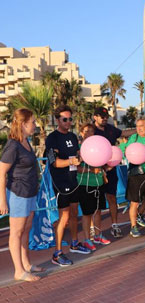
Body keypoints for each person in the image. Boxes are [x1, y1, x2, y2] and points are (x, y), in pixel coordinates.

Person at [0, 108, 45, 281]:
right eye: (32, 122)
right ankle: (18, 271)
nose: (35, 125)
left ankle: (26, 264)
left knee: (26, 229)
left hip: (30, 192)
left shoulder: (26, 141)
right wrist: (2, 201)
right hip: (18, 193)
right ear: (23, 124)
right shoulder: (12, 145)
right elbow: (1, 173)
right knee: (16, 232)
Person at [45, 105, 90, 266]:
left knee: (73, 214)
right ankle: (57, 253)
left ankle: (75, 243)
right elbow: (53, 162)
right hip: (60, 182)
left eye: (70, 119)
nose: (68, 122)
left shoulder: (72, 136)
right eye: (65, 119)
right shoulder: (52, 138)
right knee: (63, 217)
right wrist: (71, 161)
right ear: (58, 120)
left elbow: (77, 156)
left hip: (73, 180)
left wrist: (81, 161)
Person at [93, 107, 136, 238]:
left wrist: (139, 129)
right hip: (96, 171)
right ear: (95, 117)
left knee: (112, 197)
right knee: (96, 202)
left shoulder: (111, 129)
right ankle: (95, 230)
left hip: (111, 169)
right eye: (101, 116)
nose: (104, 118)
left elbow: (123, 133)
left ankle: (115, 225)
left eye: (106, 116)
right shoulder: (91, 130)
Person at [77, 123, 110, 252]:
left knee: (98, 211)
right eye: (85, 131)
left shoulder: (99, 146)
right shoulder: (78, 149)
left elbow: (103, 163)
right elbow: (76, 168)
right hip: (84, 184)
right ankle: (87, 239)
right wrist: (91, 171)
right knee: (87, 214)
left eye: (91, 131)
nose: (88, 133)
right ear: (81, 133)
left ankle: (97, 235)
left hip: (99, 183)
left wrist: (106, 169)